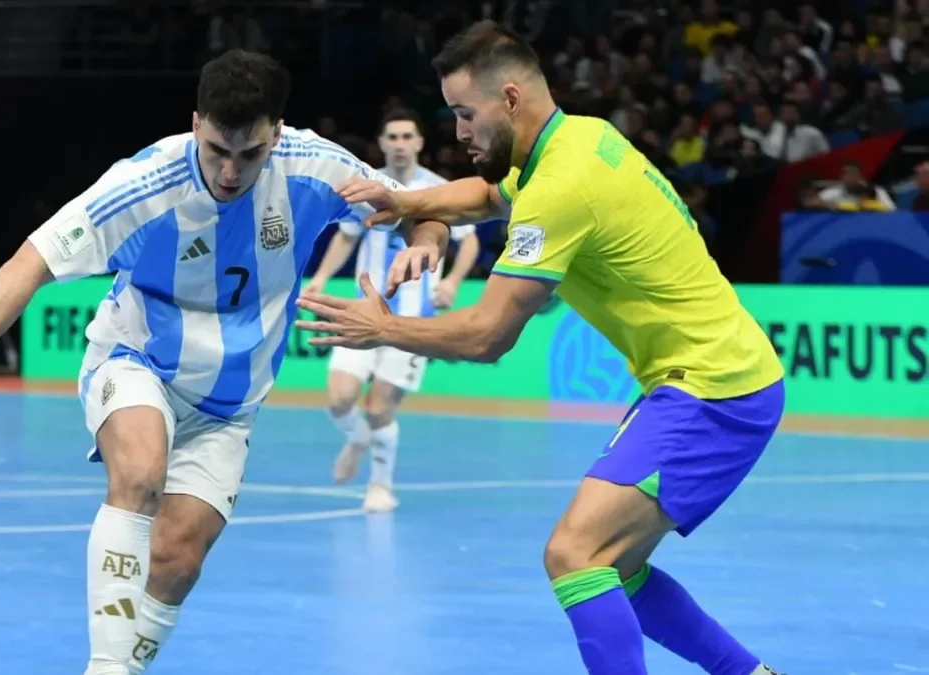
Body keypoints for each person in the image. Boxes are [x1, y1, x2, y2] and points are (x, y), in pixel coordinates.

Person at [0, 49, 447, 675]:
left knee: (179, 559)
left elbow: (422, 209)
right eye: (217, 150)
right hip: (138, 359)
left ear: (278, 134)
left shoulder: (317, 166)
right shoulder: (142, 183)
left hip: (231, 402)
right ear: (195, 123)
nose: (231, 171)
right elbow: (32, 259)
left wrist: (423, 244)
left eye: (251, 154)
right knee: (140, 473)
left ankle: (127, 666)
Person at [297, 20, 786, 675]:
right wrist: (407, 205)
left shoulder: (563, 186)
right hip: (711, 375)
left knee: (576, 554)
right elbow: (488, 195)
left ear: (508, 99)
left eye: (465, 114)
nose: (459, 132)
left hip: (713, 387)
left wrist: (381, 328)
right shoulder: (578, 139)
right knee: (616, 564)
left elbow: (488, 334)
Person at [303, 107, 480, 512]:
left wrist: (452, 281)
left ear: (419, 143)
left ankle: (380, 485)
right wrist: (321, 277)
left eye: (407, 137)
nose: (400, 144)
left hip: (411, 322)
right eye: (392, 137)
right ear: (381, 144)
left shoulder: (438, 189)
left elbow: (468, 240)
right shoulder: (368, 186)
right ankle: (359, 437)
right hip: (363, 311)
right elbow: (347, 238)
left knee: (380, 406)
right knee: (339, 401)